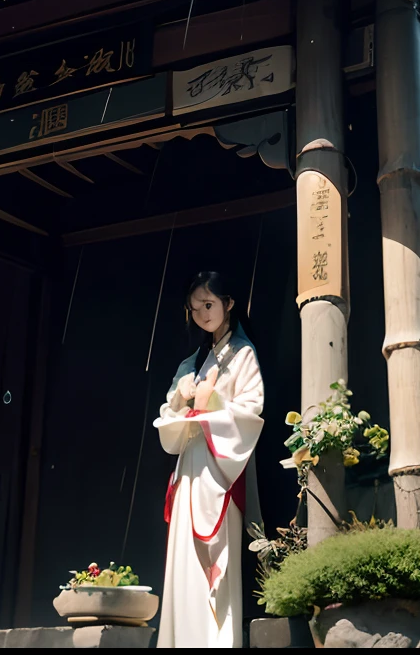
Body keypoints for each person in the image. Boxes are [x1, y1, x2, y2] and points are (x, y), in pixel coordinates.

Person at [155, 271, 265, 647]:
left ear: (228, 304)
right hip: (191, 467)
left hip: (220, 469)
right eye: (195, 308)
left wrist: (211, 402)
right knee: (184, 554)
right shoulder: (194, 360)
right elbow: (169, 410)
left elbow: (252, 411)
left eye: (209, 305)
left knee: (214, 554)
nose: (203, 314)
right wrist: (181, 397)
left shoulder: (243, 355)